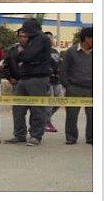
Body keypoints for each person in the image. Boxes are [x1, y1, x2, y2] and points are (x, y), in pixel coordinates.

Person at [7, 18, 53, 146]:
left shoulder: (42, 39)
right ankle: (19, 135)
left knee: (37, 108)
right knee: (18, 108)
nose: (25, 33)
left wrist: (22, 55)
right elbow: (18, 57)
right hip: (24, 77)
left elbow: (27, 56)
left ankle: (35, 136)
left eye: (26, 30)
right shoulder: (32, 40)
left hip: (38, 78)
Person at [60, 27, 92, 145]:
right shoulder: (71, 52)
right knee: (71, 115)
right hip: (74, 88)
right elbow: (63, 70)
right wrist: (67, 86)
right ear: (86, 39)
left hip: (92, 89)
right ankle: (71, 137)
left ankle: (91, 138)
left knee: (93, 115)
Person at [42, 31, 63, 133]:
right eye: (48, 38)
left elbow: (59, 64)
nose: (50, 40)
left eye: (51, 38)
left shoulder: (55, 51)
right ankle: (46, 123)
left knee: (59, 101)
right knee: (49, 104)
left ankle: (45, 120)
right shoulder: (41, 51)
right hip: (47, 81)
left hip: (57, 81)